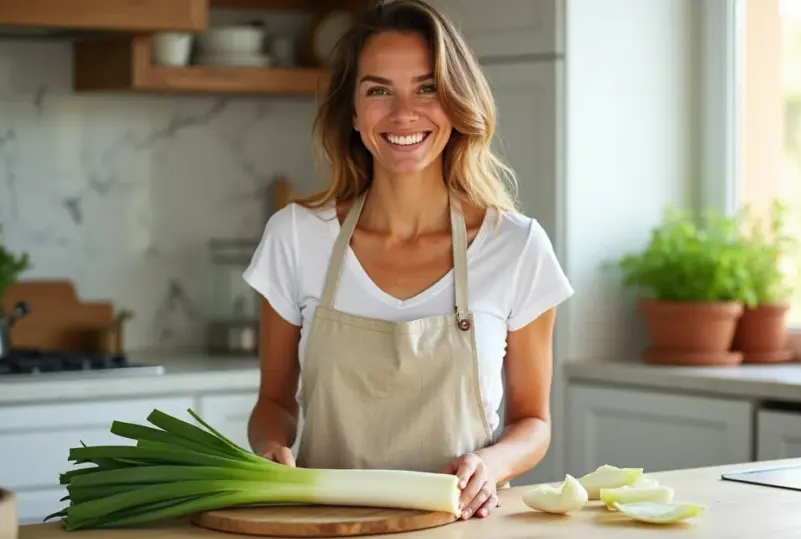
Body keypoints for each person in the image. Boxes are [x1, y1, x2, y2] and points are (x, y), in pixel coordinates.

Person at [242, 0, 573, 521]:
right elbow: (275, 404)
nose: (403, 114)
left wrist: (491, 464)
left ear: (457, 102)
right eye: (378, 90)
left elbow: (533, 422)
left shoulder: (517, 247)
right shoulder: (295, 237)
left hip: (458, 529)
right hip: (324, 529)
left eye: (427, 88)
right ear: (353, 112)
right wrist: (269, 452)